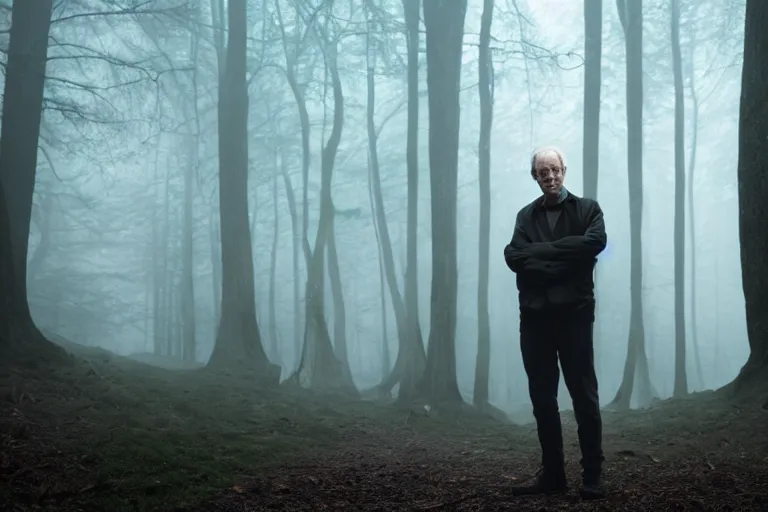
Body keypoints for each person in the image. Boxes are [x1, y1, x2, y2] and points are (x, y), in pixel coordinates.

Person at [503, 147, 607, 500]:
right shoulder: (524, 216)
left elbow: (595, 243)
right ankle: (554, 475)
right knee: (542, 398)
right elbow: (513, 256)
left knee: (584, 395)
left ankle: (593, 476)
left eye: (555, 169)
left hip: (575, 318)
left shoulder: (588, 210)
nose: (550, 176)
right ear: (534, 176)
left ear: (565, 170)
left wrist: (540, 254)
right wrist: (565, 256)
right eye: (542, 172)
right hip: (534, 320)